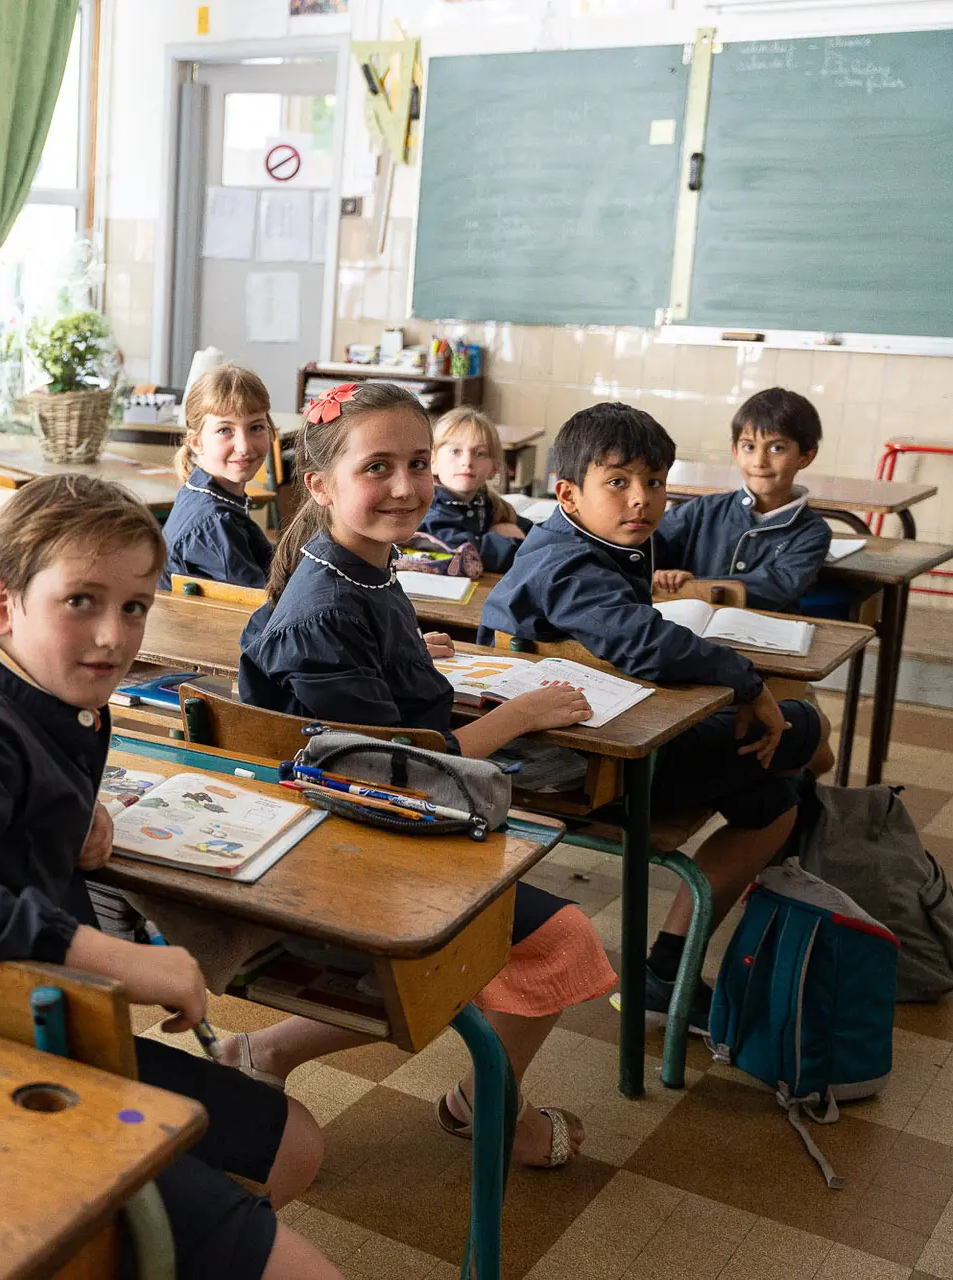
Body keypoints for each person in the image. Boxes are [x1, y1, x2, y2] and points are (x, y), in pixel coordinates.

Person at [0, 474, 340, 1280]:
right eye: (81, 602)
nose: (113, 635)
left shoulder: (24, 678)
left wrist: (67, 817)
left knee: (293, 1143)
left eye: (134, 606)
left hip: (25, 1011)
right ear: (1, 604)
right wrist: (117, 958)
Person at [238, 381, 614, 1169]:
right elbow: (401, 772)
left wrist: (411, 646)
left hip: (375, 813)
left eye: (418, 462)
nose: (409, 486)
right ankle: (489, 1111)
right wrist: (520, 713)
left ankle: (267, 1052)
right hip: (354, 837)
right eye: (379, 467)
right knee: (559, 939)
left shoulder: (359, 564)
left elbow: (376, 711)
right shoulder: (325, 605)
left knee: (502, 941)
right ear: (320, 484)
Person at [482, 402, 835, 1028]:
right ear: (568, 494)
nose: (640, 500)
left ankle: (671, 967)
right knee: (803, 733)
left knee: (775, 793)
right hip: (598, 764)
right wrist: (746, 683)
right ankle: (675, 967)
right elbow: (644, 644)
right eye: (617, 482)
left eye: (654, 482)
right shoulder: (570, 564)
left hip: (599, 739)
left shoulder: (567, 541)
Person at [654, 387, 830, 612]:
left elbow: (776, 587)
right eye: (748, 447)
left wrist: (693, 585)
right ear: (735, 452)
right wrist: (659, 575)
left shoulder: (812, 532)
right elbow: (648, 542)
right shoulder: (703, 510)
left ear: (806, 456)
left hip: (764, 635)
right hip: (690, 627)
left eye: (776, 448)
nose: (759, 462)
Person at [162, 363, 277, 590]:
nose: (244, 447)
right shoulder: (214, 524)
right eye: (225, 430)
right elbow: (262, 606)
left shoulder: (211, 497)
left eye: (256, 428)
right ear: (196, 442)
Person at [419, 405, 530, 573]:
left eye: (479, 453)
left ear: (494, 468)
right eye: (455, 451)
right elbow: (470, 553)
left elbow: (532, 531)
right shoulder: (430, 508)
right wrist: (514, 541)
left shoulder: (485, 502)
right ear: (432, 462)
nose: (467, 462)